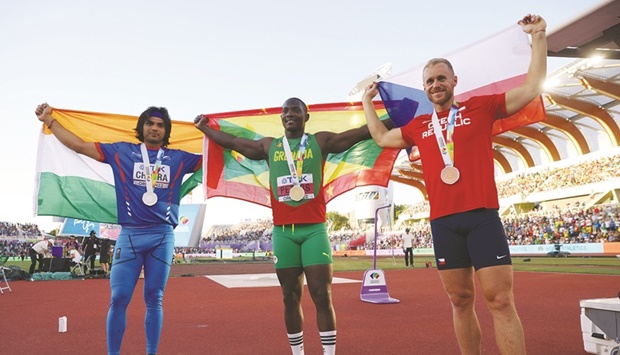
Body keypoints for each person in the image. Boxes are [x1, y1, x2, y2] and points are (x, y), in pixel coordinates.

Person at [361, 14, 547, 355]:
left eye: (441, 78)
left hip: (481, 216)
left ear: (454, 81)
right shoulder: (418, 126)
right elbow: (381, 136)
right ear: (425, 87)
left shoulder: (482, 107)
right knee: (460, 300)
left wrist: (538, 37)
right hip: (443, 222)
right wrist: (366, 102)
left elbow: (532, 87)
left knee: (500, 300)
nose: (435, 84)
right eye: (430, 80)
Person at [195, 97, 381, 355]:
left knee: (322, 295)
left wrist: (395, 117)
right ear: (281, 118)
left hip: (314, 230)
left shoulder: (321, 141)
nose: (289, 113)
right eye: (285, 111)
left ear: (306, 117)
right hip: (283, 232)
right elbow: (234, 143)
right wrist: (205, 128)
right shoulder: (269, 146)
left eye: (296, 110)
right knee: (289, 297)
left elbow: (361, 133)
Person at [35, 104, 202, 355]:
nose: (154, 128)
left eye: (160, 125)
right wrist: (51, 122)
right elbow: (79, 146)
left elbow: (216, 158)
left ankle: (151, 352)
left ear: (166, 131)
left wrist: (214, 131)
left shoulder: (179, 158)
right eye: (150, 123)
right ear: (141, 127)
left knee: (154, 299)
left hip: (162, 236)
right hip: (130, 235)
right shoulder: (121, 152)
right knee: (119, 298)